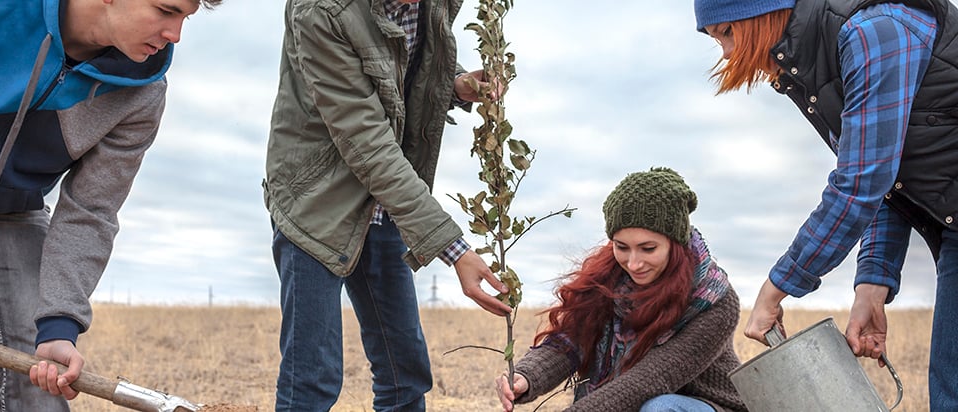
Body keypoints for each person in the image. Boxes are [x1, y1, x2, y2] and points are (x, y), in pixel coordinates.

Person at [0, 0, 221, 409]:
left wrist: (58, 323)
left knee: (42, 372)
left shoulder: (142, 93)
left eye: (185, 19)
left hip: (12, 208)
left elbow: (90, 210)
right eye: (165, 10)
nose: (174, 35)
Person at [694, 0, 958, 408]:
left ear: (764, 10)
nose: (727, 52)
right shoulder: (814, 64)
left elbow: (861, 182)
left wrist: (776, 288)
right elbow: (889, 181)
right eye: (717, 41)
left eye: (727, 32)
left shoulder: (874, 31)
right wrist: (872, 284)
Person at [262, 0, 513, 410]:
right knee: (313, 378)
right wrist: (454, 250)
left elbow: (402, 60)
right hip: (315, 203)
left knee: (405, 374)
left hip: (385, 205)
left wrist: (455, 83)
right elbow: (367, 141)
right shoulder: (320, 10)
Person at [494, 167, 746, 412]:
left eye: (648, 249)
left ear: (675, 243)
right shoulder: (608, 280)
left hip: (705, 405)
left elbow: (651, 379)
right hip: (637, 399)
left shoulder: (716, 301)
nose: (633, 263)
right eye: (622, 247)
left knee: (660, 408)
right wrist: (527, 376)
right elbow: (572, 340)